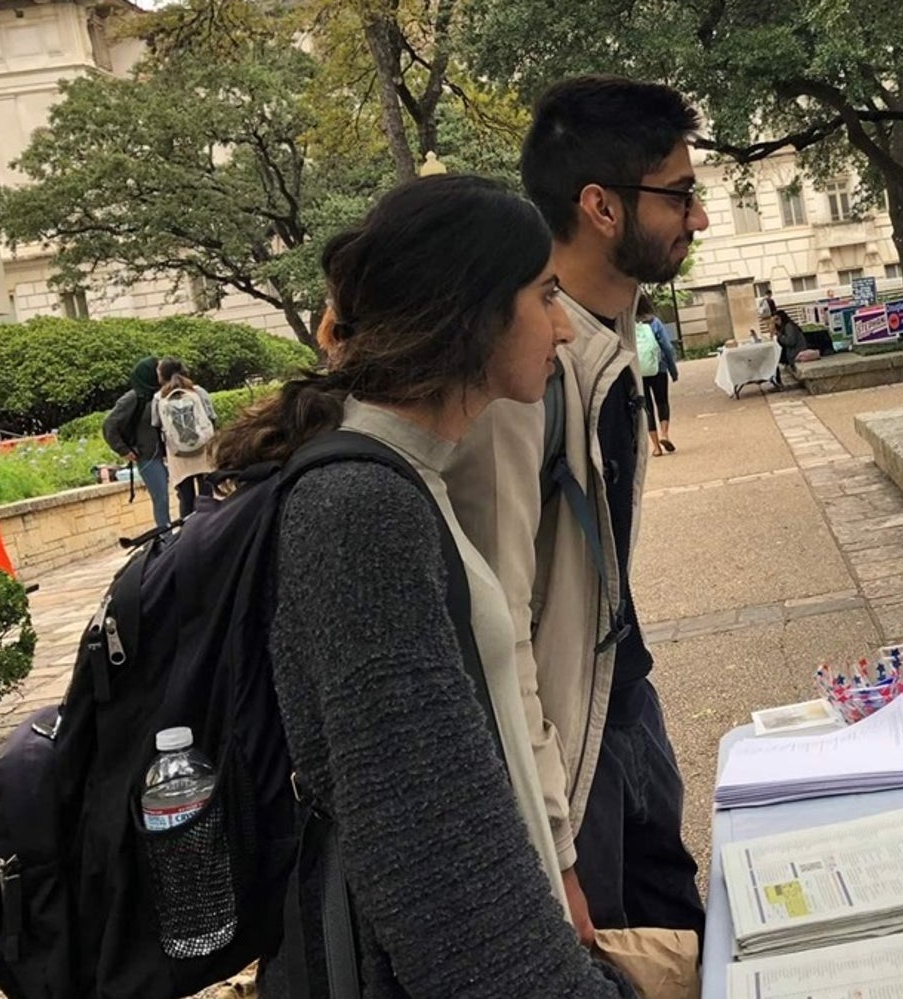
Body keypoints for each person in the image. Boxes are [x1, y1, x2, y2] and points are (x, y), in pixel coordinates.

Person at [213, 175, 634, 996]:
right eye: (544, 294)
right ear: (472, 311)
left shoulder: (402, 477)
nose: (561, 327)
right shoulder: (360, 509)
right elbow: (431, 856)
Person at [444, 75, 709, 947]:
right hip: (568, 755)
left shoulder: (607, 346)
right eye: (679, 194)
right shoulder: (522, 374)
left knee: (682, 947)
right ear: (600, 205)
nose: (696, 219)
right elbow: (500, 626)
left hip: (627, 706)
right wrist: (554, 842)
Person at [100, 355, 172, 531]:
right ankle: (166, 536)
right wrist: (123, 450)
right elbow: (109, 425)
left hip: (171, 453)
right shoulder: (134, 398)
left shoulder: (163, 394)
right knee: (160, 497)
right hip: (148, 456)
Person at [149, 357, 217, 519]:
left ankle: (188, 532)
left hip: (177, 454)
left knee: (186, 498)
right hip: (204, 449)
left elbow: (156, 424)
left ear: (162, 376)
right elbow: (212, 417)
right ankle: (210, 529)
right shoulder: (198, 391)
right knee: (207, 495)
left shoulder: (159, 398)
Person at [633, 298, 679, 456]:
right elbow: (666, 346)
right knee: (662, 401)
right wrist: (673, 370)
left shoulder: (628, 325)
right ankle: (664, 434)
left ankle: (656, 447)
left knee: (647, 407)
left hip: (639, 371)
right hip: (658, 368)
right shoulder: (655, 322)